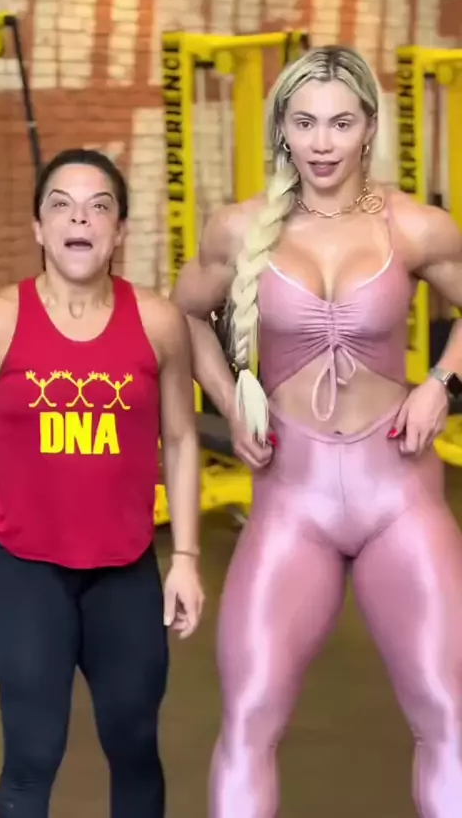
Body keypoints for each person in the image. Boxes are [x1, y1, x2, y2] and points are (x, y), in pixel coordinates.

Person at [172, 45, 462, 818]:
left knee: (446, 714)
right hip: (291, 496)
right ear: (283, 130)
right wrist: (231, 401)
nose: (322, 143)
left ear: (369, 127)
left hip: (398, 492)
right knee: (249, 716)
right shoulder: (239, 228)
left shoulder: (413, 225)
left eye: (340, 123)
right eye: (304, 123)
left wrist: (442, 383)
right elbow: (184, 314)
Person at [0, 147, 204, 818]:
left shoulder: (158, 321)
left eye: (98, 206)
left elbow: (181, 438)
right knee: (32, 755)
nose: (80, 218)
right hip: (23, 567)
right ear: (39, 227)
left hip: (124, 569)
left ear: (119, 230)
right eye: (62, 205)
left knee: (134, 746)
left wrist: (186, 557)